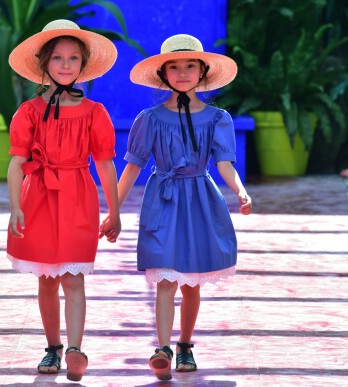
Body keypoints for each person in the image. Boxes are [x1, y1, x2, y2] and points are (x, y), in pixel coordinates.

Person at [102, 34, 252, 381]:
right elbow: (133, 165)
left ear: (203, 72)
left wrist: (240, 192)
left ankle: (185, 344)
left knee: (192, 281)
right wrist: (114, 210)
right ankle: (163, 348)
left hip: (200, 198)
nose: (182, 72)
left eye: (190, 66)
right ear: (163, 73)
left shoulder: (217, 118)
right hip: (164, 199)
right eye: (174, 66)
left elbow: (225, 163)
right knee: (165, 277)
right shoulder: (150, 118)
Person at [6, 20, 120, 382]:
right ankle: (53, 347)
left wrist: (114, 210)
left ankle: (75, 348)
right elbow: (16, 162)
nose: (66, 65)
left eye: (73, 58)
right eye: (58, 58)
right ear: (43, 63)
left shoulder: (94, 112)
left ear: (83, 64)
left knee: (73, 277)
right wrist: (14, 206)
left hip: (76, 197)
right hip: (37, 196)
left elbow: (104, 164)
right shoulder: (27, 111)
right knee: (46, 280)